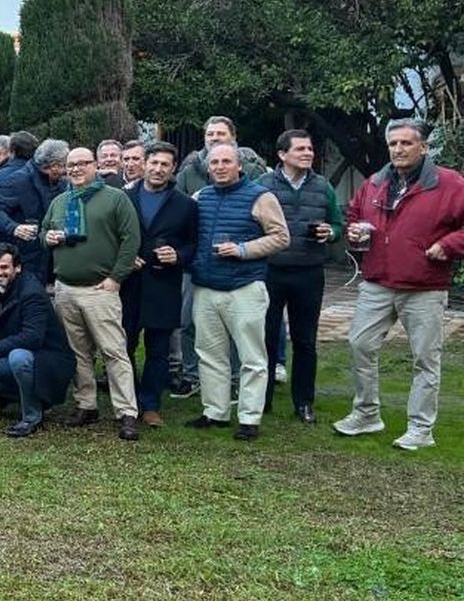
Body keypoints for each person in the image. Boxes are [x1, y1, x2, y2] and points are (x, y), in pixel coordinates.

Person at [335, 118, 464, 451]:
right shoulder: (376, 181)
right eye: (394, 143)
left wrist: (448, 246)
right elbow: (354, 213)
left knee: (425, 358)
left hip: (424, 285)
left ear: (423, 147)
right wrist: (354, 231)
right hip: (378, 280)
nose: (398, 149)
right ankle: (366, 414)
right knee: (360, 344)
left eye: (406, 143)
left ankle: (421, 428)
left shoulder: (449, 183)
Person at [185, 142, 290, 441]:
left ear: (239, 165)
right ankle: (215, 411)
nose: (219, 167)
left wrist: (243, 250)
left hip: (245, 286)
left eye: (226, 161)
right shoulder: (200, 197)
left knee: (252, 357)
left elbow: (281, 237)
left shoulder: (260, 196)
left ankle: (249, 418)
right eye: (214, 162)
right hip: (206, 287)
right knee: (209, 354)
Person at [42, 146, 143, 441]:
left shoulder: (115, 198)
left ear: (95, 165)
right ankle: (86, 405)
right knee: (78, 352)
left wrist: (116, 277)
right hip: (66, 289)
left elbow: (131, 239)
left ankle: (126, 412)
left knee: (113, 351)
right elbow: (44, 231)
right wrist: (45, 237)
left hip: (101, 289)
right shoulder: (60, 201)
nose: (75, 169)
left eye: (81, 164)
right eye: (70, 165)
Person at [260, 130, 343, 423]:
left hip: (309, 272)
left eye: (310, 148)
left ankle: (304, 403)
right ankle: (262, 400)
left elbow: (337, 224)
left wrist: (331, 232)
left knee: (305, 340)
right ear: (282, 155)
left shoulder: (323, 186)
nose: (308, 153)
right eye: (301, 149)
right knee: (266, 338)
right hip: (270, 271)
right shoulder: (264, 185)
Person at [0, 243, 76, 437]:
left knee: (18, 356)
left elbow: (33, 338)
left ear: (18, 267)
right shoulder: (2, 283)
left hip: (46, 361)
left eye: (4, 267)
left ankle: (32, 415)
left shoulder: (32, 294)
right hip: (13, 353)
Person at [120, 141, 197, 428]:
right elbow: (112, 237)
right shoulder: (124, 198)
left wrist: (178, 255)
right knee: (123, 345)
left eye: (165, 164)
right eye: (153, 163)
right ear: (144, 164)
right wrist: (124, 259)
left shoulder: (186, 205)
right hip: (128, 284)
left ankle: (151, 404)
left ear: (173, 168)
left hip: (163, 284)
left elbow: (193, 245)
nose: (158, 169)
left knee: (159, 351)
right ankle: (127, 400)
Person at [0, 136, 66, 280]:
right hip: (25, 259)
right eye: (66, 165)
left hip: (51, 259)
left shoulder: (60, 183)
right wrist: (14, 228)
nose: (68, 170)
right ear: (54, 166)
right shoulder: (19, 181)